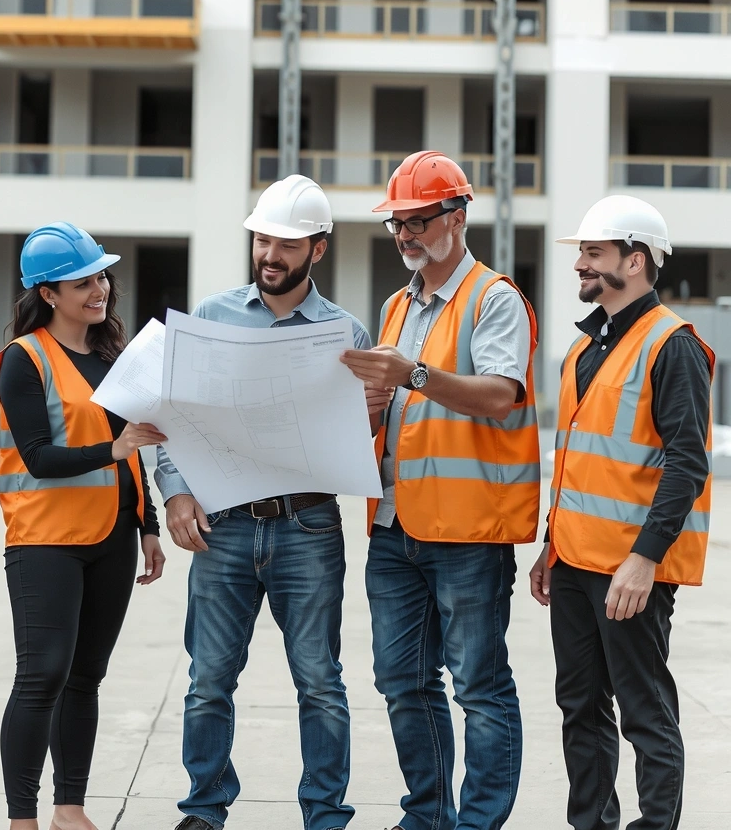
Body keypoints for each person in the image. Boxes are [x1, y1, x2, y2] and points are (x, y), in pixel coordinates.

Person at [157, 175, 372, 830]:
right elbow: (173, 418)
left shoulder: (345, 333)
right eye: (262, 241)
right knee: (208, 682)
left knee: (320, 682)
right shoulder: (213, 316)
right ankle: (204, 810)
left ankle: (326, 816)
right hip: (223, 528)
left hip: (308, 526)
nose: (270, 255)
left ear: (318, 250)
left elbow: (362, 434)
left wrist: (371, 414)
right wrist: (176, 493)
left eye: (287, 245)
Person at [341, 151, 540, 830]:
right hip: (394, 526)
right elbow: (396, 407)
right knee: (402, 682)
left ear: (457, 217)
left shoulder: (494, 298)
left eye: (418, 220)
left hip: (466, 532)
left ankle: (478, 823)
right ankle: (427, 817)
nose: (405, 235)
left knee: (479, 687)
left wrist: (413, 375)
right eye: (397, 223)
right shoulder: (396, 306)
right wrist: (367, 408)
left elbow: (501, 395)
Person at [529, 196, 712, 830]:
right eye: (581, 252)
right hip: (574, 562)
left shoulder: (672, 345)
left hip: (630, 570)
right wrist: (551, 544)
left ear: (635, 261)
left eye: (593, 253)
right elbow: (579, 463)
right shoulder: (584, 349)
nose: (580, 264)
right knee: (580, 706)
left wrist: (644, 559)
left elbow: (687, 464)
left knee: (643, 709)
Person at [0, 222, 167, 830]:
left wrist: (147, 525)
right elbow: (39, 456)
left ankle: (69, 809)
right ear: (48, 294)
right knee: (42, 676)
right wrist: (114, 450)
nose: (100, 290)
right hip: (46, 542)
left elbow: (135, 453)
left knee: (86, 678)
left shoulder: (114, 358)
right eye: (83, 282)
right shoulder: (24, 358)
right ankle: (22, 819)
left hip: (113, 538)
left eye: (101, 277)